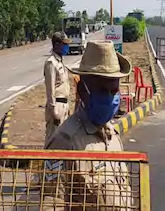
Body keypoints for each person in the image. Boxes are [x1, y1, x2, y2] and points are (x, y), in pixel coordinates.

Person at [43, 40, 134, 209]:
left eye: (114, 92)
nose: (109, 98)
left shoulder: (113, 135)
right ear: (82, 91)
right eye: (101, 91)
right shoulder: (65, 143)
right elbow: (52, 204)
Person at [43, 32, 73, 144]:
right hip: (57, 105)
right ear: (57, 44)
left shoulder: (60, 62)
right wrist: (54, 111)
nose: (67, 47)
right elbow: (50, 89)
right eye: (64, 44)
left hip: (64, 104)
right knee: (52, 139)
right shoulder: (51, 63)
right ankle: (47, 161)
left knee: (62, 140)